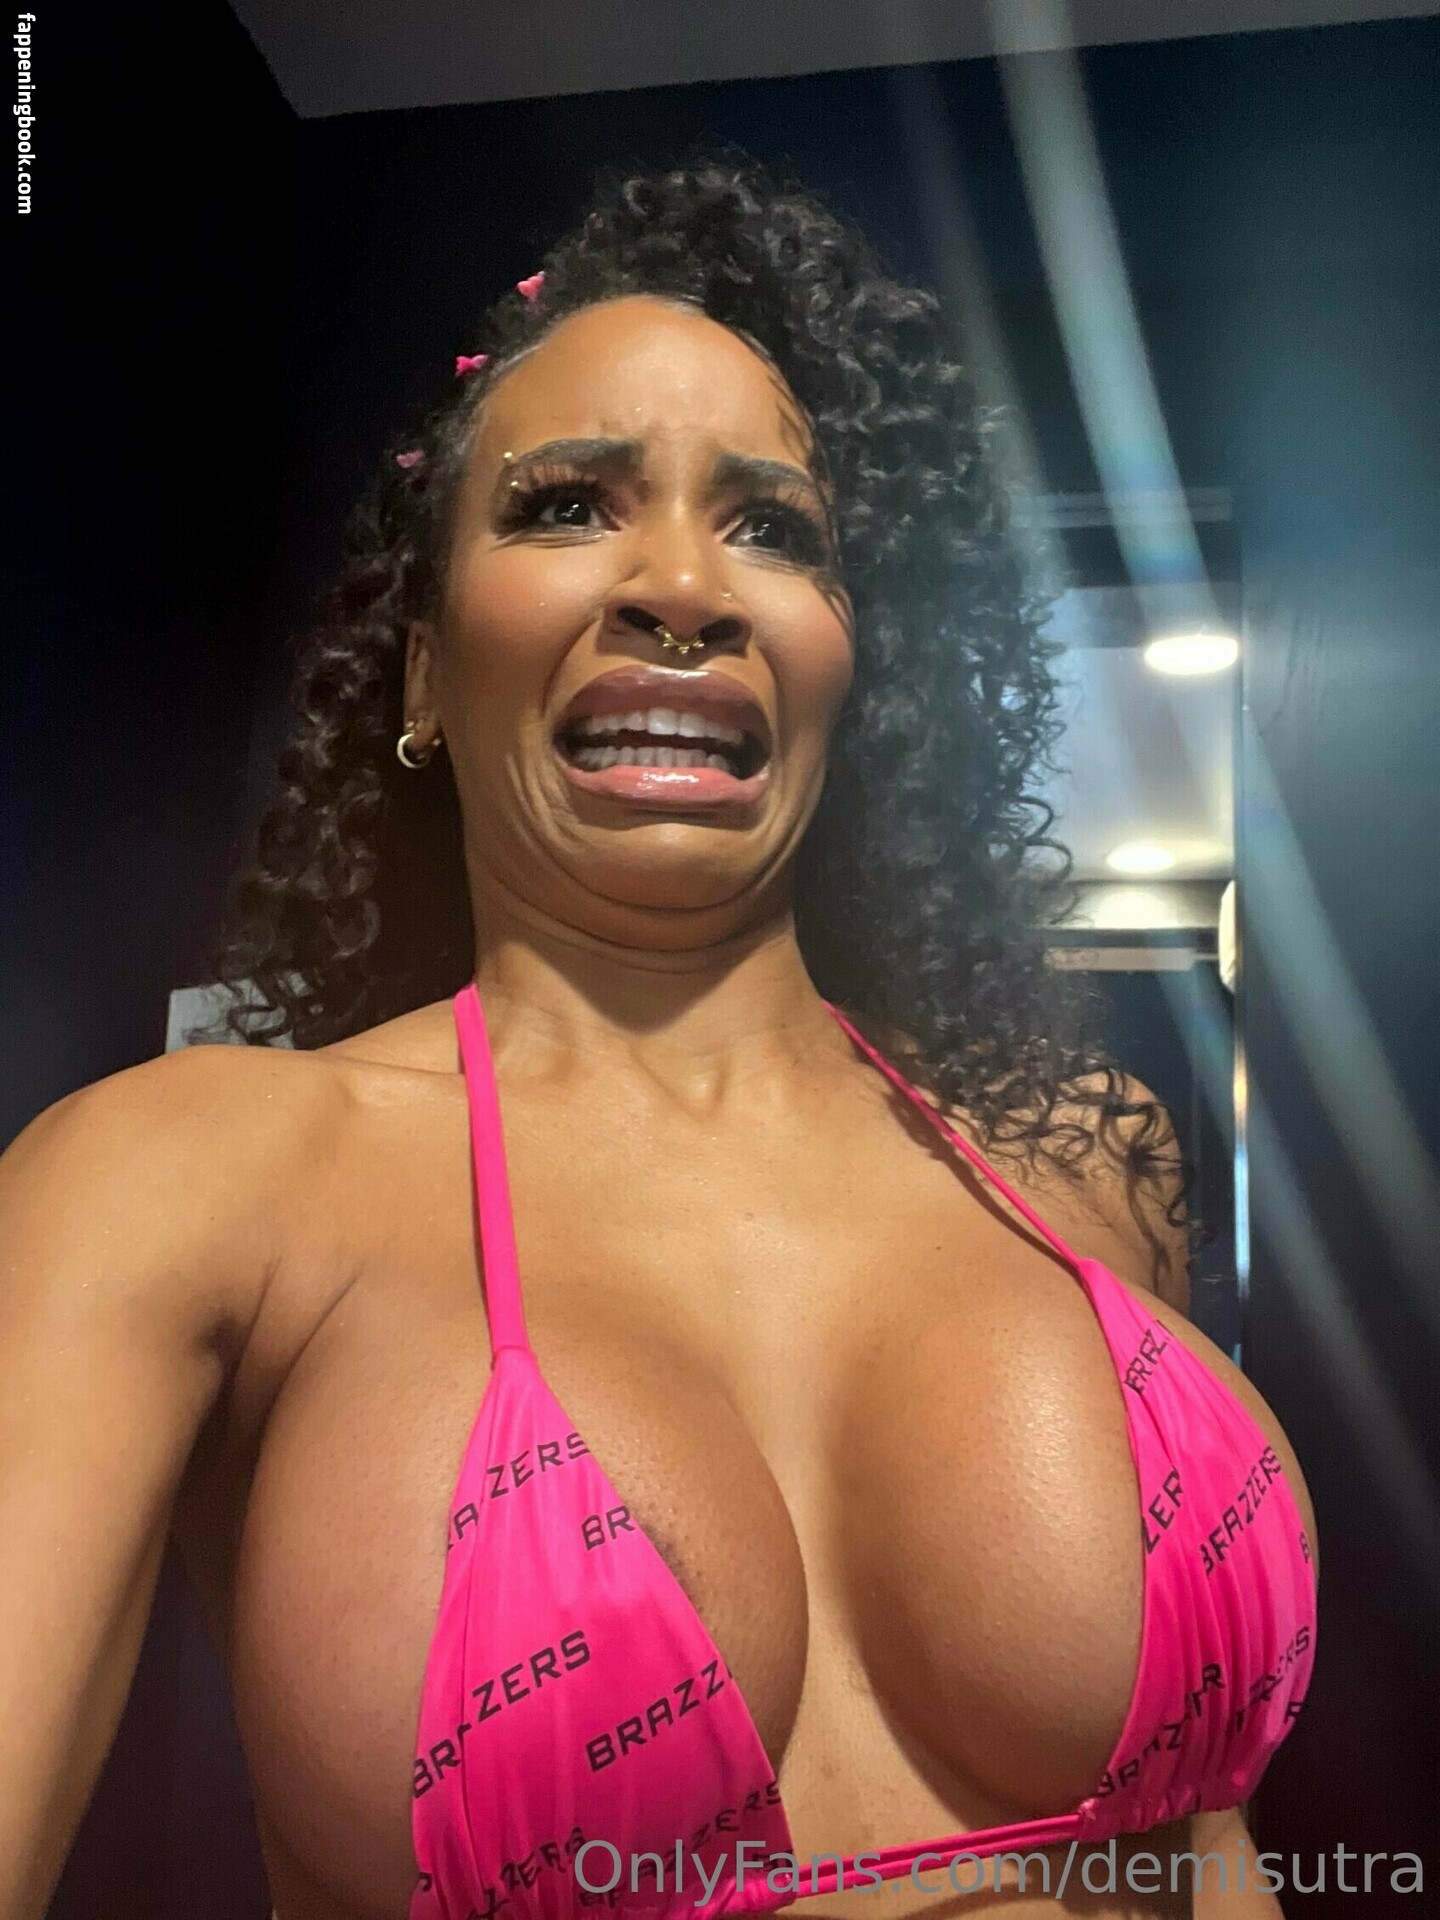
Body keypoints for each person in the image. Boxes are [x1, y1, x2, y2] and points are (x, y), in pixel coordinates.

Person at [0, 156, 1316, 1920]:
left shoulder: (1084, 1159)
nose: (685, 584)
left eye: (775, 529)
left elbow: (1206, 1854)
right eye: (566, 506)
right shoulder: (181, 1181)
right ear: (419, 669)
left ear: (849, 664)